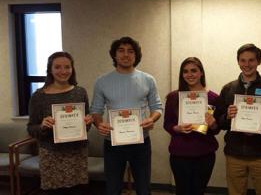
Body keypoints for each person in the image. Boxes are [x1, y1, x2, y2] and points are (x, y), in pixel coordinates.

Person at [90, 36, 162, 195]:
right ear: (114, 55)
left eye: (130, 51)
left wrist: (151, 118)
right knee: (113, 188)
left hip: (141, 142)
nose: (126, 55)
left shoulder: (148, 79)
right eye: (121, 50)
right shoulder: (102, 81)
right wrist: (99, 123)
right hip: (113, 143)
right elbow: (96, 110)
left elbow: (157, 107)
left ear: (136, 56)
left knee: (143, 188)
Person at [213, 44, 261, 195]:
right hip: (234, 154)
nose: (247, 65)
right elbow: (218, 122)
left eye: (251, 60)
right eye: (243, 60)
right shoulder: (228, 89)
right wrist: (227, 117)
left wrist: (260, 130)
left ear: (259, 62)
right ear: (238, 62)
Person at [27, 52, 92, 195]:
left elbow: (86, 125)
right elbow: (31, 128)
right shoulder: (38, 96)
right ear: (50, 70)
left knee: (78, 191)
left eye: (67, 67)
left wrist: (87, 122)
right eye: (57, 67)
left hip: (77, 153)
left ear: (72, 69)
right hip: (51, 154)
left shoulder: (80, 92)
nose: (63, 71)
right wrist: (42, 126)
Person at [163, 57, 219, 195]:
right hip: (180, 154)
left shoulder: (213, 98)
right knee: (182, 191)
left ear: (201, 73)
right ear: (182, 75)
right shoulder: (174, 97)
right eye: (185, 71)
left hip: (204, 155)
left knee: (199, 192)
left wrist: (213, 124)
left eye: (194, 70)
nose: (190, 74)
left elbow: (217, 129)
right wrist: (177, 128)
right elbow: (167, 124)